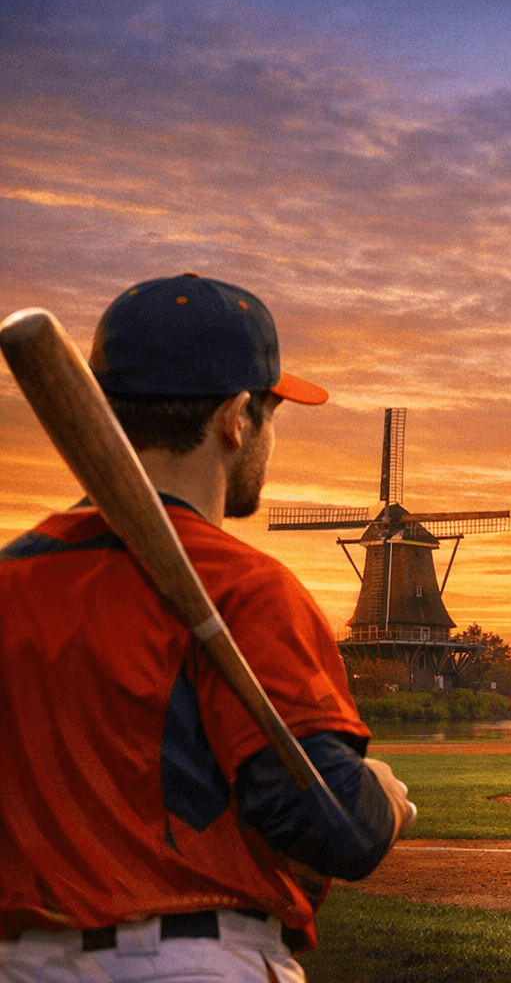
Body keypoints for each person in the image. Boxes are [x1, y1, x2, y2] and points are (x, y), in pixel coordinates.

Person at [1, 274, 416, 982]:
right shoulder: (245, 587)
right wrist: (381, 795)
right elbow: (333, 828)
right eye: (271, 415)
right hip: (189, 958)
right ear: (235, 419)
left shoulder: (11, 582)